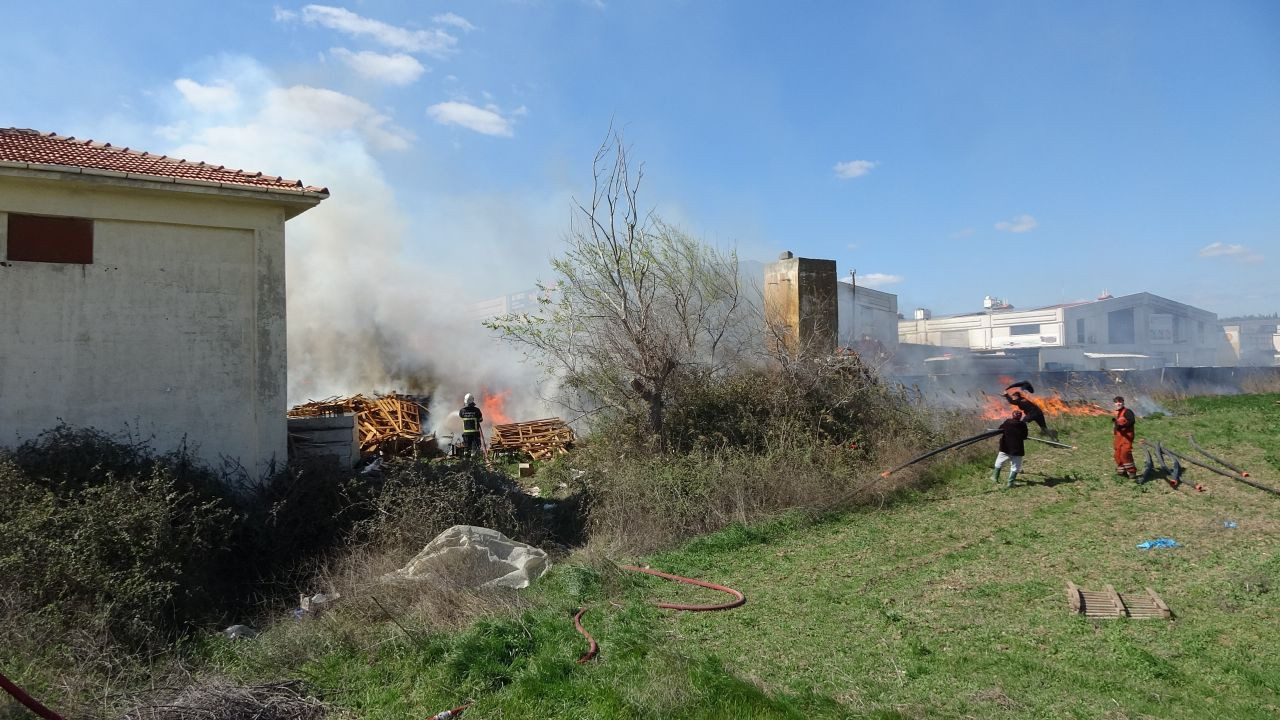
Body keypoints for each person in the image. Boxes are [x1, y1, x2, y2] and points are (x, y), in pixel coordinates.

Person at [993, 409, 1029, 488]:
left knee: (999, 462)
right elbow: (1025, 436)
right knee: (1015, 467)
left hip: (1005, 447)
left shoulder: (1007, 422)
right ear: (1020, 417)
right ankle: (1010, 483)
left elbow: (1000, 429)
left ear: (1013, 416)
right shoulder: (1023, 424)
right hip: (1017, 449)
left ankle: (994, 478)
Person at [1112, 395, 1137, 479]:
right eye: (1116, 402)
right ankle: (1122, 472)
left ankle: (1132, 472)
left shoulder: (1127, 411)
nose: (1118, 403)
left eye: (1120, 402)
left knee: (1125, 453)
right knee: (1117, 455)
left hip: (1127, 437)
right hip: (1118, 437)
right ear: (1114, 403)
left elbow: (1132, 421)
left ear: (1123, 402)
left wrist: (1123, 426)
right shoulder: (1117, 413)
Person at [459, 393, 484, 458]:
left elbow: (461, 416)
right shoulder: (476, 410)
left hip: (466, 434)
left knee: (466, 450)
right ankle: (474, 463)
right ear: (472, 400)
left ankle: (466, 463)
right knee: (474, 450)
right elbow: (481, 419)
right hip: (475, 434)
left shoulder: (462, 411)